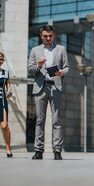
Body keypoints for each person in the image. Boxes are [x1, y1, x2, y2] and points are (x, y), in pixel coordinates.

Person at [28, 25, 69, 160]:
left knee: (57, 120)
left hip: (55, 87)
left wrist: (62, 72)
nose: (48, 38)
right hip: (40, 87)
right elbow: (30, 69)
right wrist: (39, 65)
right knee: (40, 120)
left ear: (54, 35)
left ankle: (57, 151)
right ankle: (38, 150)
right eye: (45, 36)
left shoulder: (61, 49)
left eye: (50, 36)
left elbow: (67, 67)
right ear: (41, 36)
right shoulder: (35, 50)